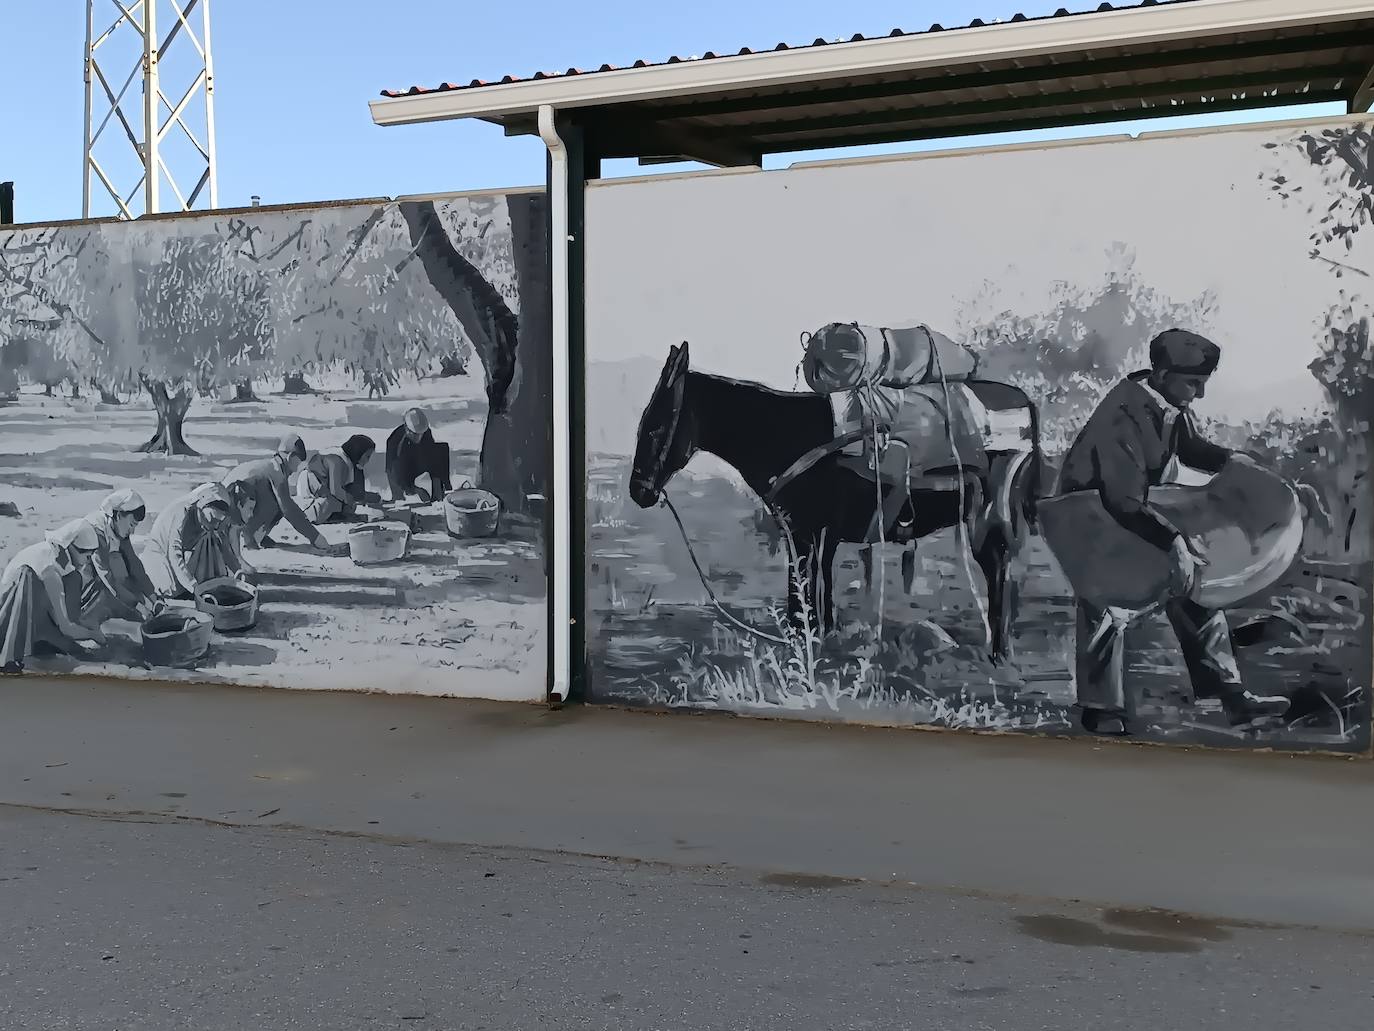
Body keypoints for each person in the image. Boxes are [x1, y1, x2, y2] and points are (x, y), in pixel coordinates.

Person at [1057, 329, 1290, 736]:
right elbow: (1120, 498)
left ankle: (1230, 695)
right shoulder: (1122, 414)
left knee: (1199, 584)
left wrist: (1234, 461)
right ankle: (1100, 708)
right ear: (1162, 374)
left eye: (1203, 384)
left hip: (1133, 508)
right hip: (1088, 517)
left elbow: (1190, 448)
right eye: (1193, 384)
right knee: (1108, 601)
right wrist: (1174, 542)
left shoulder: (1167, 403)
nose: (1198, 394)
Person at [0, 519, 107, 673]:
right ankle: (10, 657)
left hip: (28, 608)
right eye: (86, 555)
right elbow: (65, 627)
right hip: (11, 610)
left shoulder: (60, 562)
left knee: (73, 579)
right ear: (70, 548)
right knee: (32, 576)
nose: (88, 560)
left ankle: (42, 644)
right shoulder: (49, 569)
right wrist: (93, 635)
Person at [222, 433, 329, 551]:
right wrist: (316, 537)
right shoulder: (276, 471)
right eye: (299, 462)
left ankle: (258, 536)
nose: (299, 467)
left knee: (273, 500)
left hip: (229, 502)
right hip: (232, 506)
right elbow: (289, 510)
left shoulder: (270, 465)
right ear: (291, 457)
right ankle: (251, 539)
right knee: (279, 505)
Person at [146, 483, 253, 600]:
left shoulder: (210, 522)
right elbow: (174, 555)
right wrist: (194, 587)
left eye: (218, 521)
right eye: (212, 519)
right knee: (171, 588)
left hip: (185, 555)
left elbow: (224, 546)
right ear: (201, 506)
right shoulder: (181, 514)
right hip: (161, 557)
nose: (215, 525)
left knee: (210, 539)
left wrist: (237, 571)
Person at [81, 488, 159, 623]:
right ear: (118, 516)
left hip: (108, 582)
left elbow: (135, 565)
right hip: (86, 584)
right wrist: (139, 607)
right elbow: (107, 578)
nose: (132, 531)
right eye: (131, 525)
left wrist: (155, 599)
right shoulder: (97, 530)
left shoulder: (119, 529)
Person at [293, 434, 382, 524]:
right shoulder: (337, 460)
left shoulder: (348, 462)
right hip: (311, 488)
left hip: (323, 489)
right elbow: (336, 490)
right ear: (358, 452)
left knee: (347, 504)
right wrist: (350, 499)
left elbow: (354, 491)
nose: (368, 460)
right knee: (337, 503)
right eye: (367, 456)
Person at [385, 408, 452, 504]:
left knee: (441, 450)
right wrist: (416, 490)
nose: (419, 438)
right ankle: (400, 498)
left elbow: (433, 456)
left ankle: (439, 493)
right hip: (401, 468)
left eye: (421, 434)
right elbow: (395, 473)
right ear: (407, 429)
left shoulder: (425, 432)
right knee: (399, 488)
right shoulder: (395, 441)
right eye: (415, 434)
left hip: (416, 461)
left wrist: (438, 481)